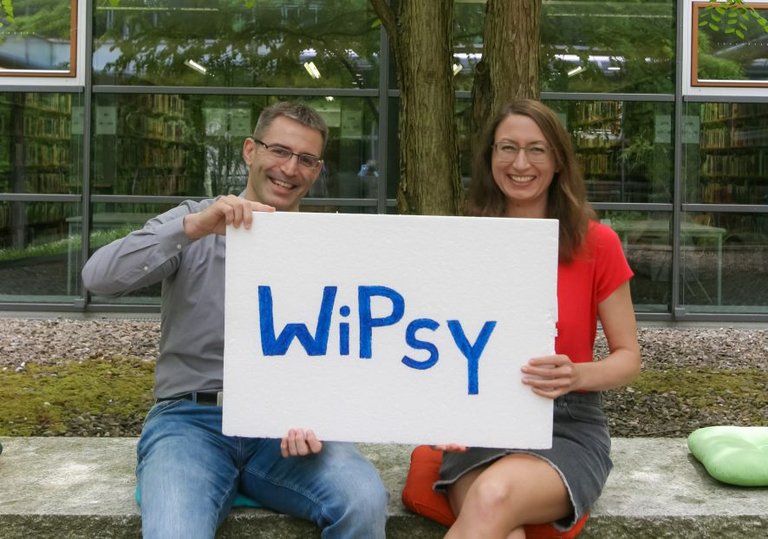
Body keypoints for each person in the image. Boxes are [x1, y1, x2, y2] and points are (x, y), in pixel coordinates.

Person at [82, 101, 388, 539]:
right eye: (279, 151)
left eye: (306, 159)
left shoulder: (326, 245)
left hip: (284, 423)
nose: (290, 168)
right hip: (191, 419)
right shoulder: (197, 219)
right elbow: (97, 277)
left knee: (364, 500)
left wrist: (316, 409)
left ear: (317, 170)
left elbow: (346, 346)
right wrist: (191, 229)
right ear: (250, 150)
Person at [433, 99, 642, 538]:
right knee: (500, 523)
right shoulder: (463, 240)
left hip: (566, 425)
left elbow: (628, 359)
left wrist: (577, 374)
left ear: (558, 160)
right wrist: (443, 412)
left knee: (492, 496)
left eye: (537, 149)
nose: (520, 163)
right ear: (490, 156)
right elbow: (439, 343)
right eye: (507, 148)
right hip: (479, 421)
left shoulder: (597, 243)